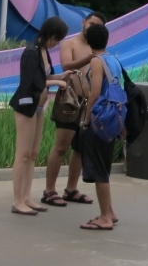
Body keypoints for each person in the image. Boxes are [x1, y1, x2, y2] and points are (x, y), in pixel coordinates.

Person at [41, 11, 106, 208]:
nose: (92, 29)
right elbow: (66, 64)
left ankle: (71, 188)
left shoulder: (96, 46)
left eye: (98, 27)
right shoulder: (70, 43)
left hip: (88, 102)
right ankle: (49, 190)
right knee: (61, 146)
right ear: (84, 22)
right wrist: (90, 59)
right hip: (69, 101)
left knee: (79, 148)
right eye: (91, 24)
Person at [8, 17, 69, 214]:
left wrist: (62, 77)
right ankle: (17, 200)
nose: (56, 44)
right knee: (23, 153)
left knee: (33, 154)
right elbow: (30, 82)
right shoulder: (31, 52)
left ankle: (26, 197)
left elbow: (45, 76)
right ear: (50, 34)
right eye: (56, 39)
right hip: (27, 106)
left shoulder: (43, 52)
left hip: (39, 107)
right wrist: (55, 83)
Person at [76, 23, 124, 231]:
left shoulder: (96, 62)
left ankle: (104, 217)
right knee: (104, 165)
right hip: (113, 118)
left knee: (99, 170)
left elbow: (94, 93)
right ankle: (110, 211)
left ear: (87, 41)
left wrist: (86, 120)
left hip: (100, 118)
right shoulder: (113, 59)